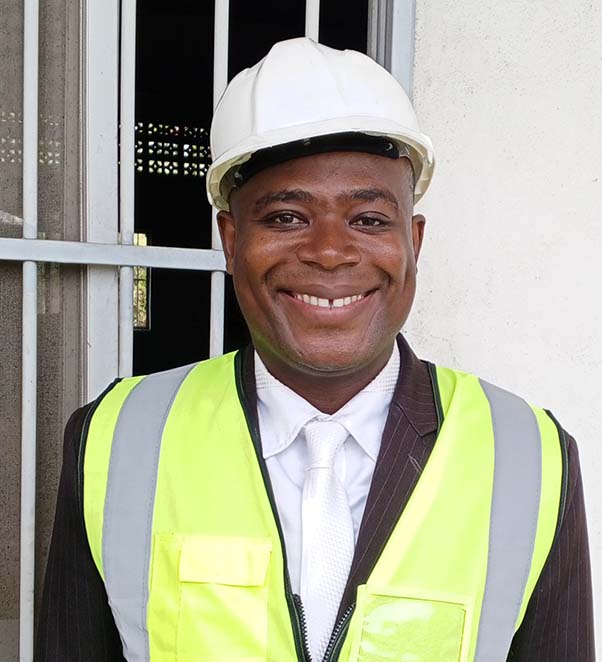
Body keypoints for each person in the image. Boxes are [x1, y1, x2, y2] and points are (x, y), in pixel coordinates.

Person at [36, 38, 593, 662]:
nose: (330, 252)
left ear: (413, 242)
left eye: (369, 220)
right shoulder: (117, 437)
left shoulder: (529, 454)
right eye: (286, 217)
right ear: (230, 239)